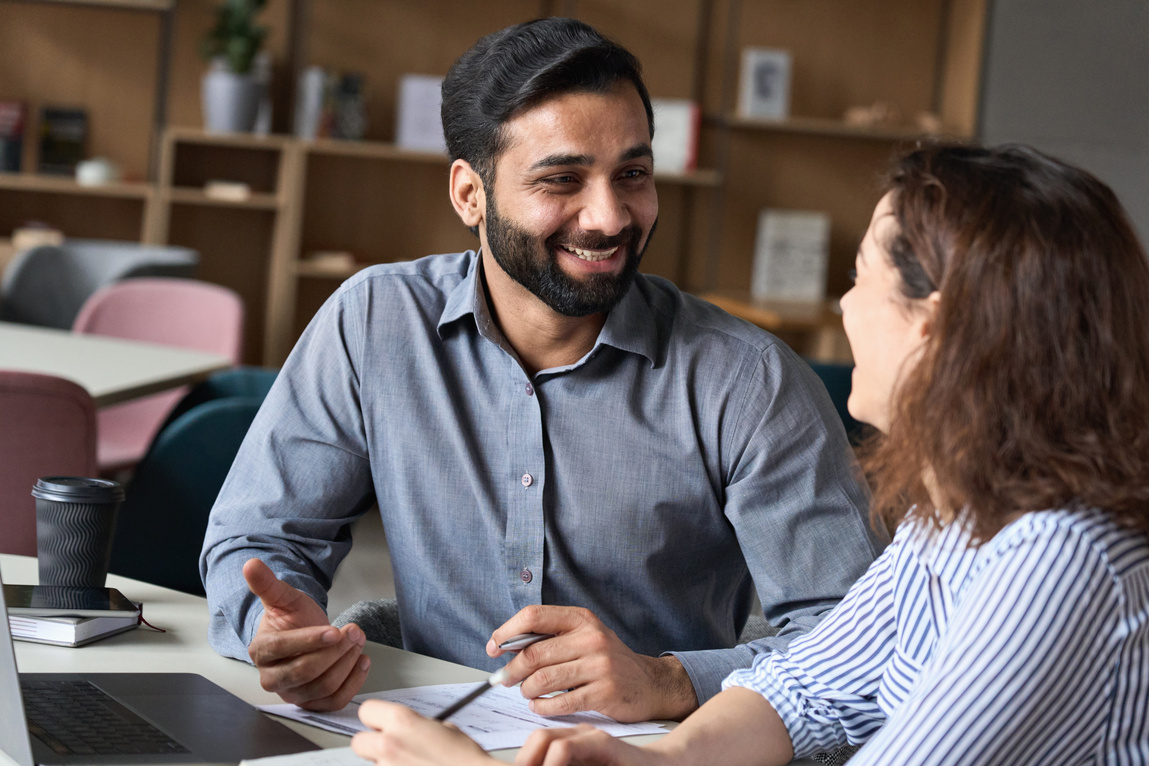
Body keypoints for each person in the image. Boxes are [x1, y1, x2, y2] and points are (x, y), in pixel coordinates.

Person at [346, 144, 1149, 765]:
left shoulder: (1056, 559)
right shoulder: (957, 520)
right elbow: (808, 689)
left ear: (932, 326)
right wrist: (655, 762)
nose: (844, 305)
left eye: (859, 277)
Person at [200, 17, 881, 724]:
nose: (609, 217)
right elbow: (259, 538)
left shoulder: (748, 380)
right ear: (469, 195)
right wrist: (276, 631)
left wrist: (667, 680)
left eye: (632, 175)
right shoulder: (374, 322)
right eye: (562, 179)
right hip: (424, 737)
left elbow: (861, 646)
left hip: (650, 751)